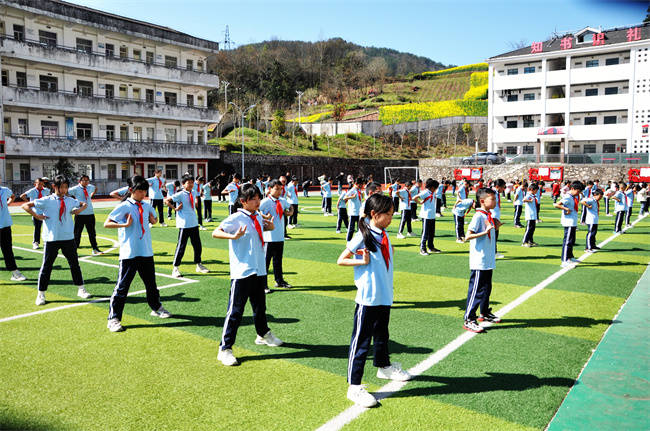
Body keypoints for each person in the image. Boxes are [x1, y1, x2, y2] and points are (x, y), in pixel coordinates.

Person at [336, 193, 411, 407]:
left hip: (384, 294)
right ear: (374, 214)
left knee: (382, 335)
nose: (391, 218)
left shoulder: (382, 234)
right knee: (361, 342)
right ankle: (354, 386)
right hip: (368, 297)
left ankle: (384, 366)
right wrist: (361, 261)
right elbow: (341, 260)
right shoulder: (363, 235)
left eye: (392, 214)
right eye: (388, 214)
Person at [212, 183, 284, 366]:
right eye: (253, 199)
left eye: (259, 198)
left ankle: (263, 334)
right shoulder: (236, 218)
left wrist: (270, 226)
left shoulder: (256, 216)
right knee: (235, 311)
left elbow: (261, 230)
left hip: (259, 269)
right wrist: (233, 236)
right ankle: (225, 348)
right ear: (243, 201)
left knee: (260, 307)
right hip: (242, 271)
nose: (257, 202)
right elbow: (216, 232)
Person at [104, 176, 171, 332]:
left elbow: (153, 219)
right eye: (140, 191)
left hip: (145, 251)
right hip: (129, 252)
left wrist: (153, 220)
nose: (143, 194)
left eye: (144, 191)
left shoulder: (146, 205)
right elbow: (107, 223)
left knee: (151, 284)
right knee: (122, 287)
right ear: (131, 190)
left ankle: (156, 307)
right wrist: (124, 224)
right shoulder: (124, 206)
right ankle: (113, 318)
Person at [22, 175, 90, 305]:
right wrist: (37, 215)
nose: (63, 190)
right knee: (47, 266)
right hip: (51, 239)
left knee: (74, 264)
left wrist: (79, 210)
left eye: (66, 187)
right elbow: (25, 205)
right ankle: (41, 294)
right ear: (54, 187)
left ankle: (81, 289)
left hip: (68, 238)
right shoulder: (46, 200)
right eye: (61, 187)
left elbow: (83, 204)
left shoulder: (70, 200)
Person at [463, 188, 501, 334]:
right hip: (479, 259)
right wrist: (485, 232)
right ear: (482, 201)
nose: (495, 201)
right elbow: (468, 236)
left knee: (486, 288)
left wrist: (496, 226)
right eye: (492, 199)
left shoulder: (488, 215)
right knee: (476, 290)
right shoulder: (478, 216)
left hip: (488, 259)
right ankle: (469, 318)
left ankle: (484, 312)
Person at [165, 174, 210, 278]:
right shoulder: (180, 194)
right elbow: (166, 200)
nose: (190, 184)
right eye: (188, 182)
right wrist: (175, 209)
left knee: (197, 246)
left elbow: (196, 199)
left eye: (192, 182)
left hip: (193, 223)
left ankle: (198, 265)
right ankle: (175, 268)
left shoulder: (193, 192)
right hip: (184, 224)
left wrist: (196, 201)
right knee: (181, 247)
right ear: (183, 184)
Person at [259, 179, 294, 292]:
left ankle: (279, 281)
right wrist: (263, 216)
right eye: (276, 189)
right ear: (269, 189)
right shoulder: (265, 201)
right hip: (268, 237)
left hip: (279, 236)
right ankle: (262, 285)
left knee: (278, 260)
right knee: (265, 262)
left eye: (280, 189)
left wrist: (290, 212)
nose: (279, 191)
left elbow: (290, 206)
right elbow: (256, 210)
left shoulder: (282, 201)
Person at [68, 175, 102, 255]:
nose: (86, 182)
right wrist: (74, 203)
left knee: (92, 232)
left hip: (90, 213)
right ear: (80, 181)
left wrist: (91, 195)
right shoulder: (75, 189)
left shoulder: (90, 187)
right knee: (77, 233)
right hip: (80, 213)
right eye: (84, 180)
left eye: (87, 180)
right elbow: (66, 193)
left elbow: (95, 188)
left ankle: (95, 248)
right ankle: (74, 250)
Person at [0, 183, 27, 281]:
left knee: (8, 250)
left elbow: (12, 196)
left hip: (5, 224)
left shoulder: (4, 190)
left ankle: (15, 273)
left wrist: (8, 203)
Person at [554, 181, 583, 267]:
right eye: (578, 191)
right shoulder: (568, 196)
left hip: (573, 221)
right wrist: (566, 209)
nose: (578, 193)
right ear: (572, 189)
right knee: (567, 241)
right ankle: (564, 260)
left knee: (572, 240)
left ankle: (570, 257)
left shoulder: (574, 196)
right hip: (569, 221)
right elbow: (556, 205)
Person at [20, 178, 50, 250]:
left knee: (48, 227)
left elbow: (49, 197)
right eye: (39, 184)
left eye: (42, 184)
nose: (40, 185)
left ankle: (47, 241)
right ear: (35, 184)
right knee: (37, 228)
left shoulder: (46, 190)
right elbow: (22, 196)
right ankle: (36, 242)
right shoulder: (32, 191)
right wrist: (29, 203)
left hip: (45, 211)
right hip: (36, 212)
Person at [413, 178, 440, 255]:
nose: (436, 189)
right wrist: (419, 202)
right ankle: (422, 248)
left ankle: (431, 247)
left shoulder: (432, 192)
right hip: (426, 215)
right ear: (432, 187)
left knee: (432, 233)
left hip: (432, 215)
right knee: (425, 233)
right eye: (435, 188)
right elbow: (414, 197)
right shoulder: (425, 192)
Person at [344, 177, 364, 242]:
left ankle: (358, 241)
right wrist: (352, 197)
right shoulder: (352, 190)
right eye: (361, 184)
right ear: (356, 184)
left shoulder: (359, 190)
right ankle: (348, 240)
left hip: (359, 212)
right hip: (353, 212)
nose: (362, 186)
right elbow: (345, 197)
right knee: (351, 228)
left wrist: (362, 195)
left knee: (359, 229)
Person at [492, 179, 506, 259]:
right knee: (493, 236)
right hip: (493, 217)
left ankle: (494, 252)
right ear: (497, 186)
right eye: (503, 187)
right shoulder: (492, 193)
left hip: (496, 217)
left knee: (495, 236)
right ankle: (493, 252)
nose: (504, 189)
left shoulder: (496, 193)